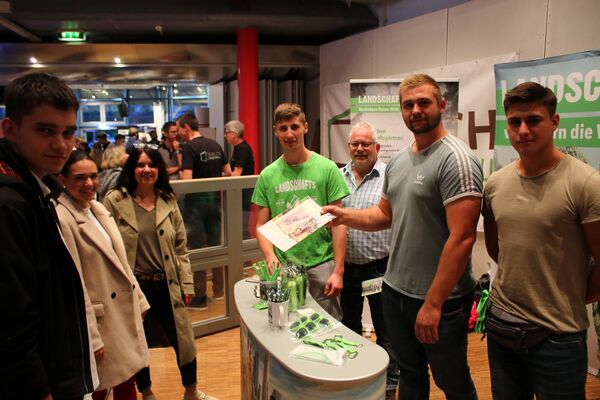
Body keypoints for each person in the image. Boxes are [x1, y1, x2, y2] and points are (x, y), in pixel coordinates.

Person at [323, 74, 481, 399]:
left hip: (441, 301)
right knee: (410, 374)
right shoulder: (398, 161)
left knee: (451, 381)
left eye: (424, 102)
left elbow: (463, 238)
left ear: (441, 105)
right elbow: (384, 215)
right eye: (408, 104)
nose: (416, 110)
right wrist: (343, 215)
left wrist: (433, 304)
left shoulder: (457, 160)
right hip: (395, 291)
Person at [482, 82, 600, 400]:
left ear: (554, 122)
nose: (523, 130)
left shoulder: (586, 183)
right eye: (514, 122)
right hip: (502, 329)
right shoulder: (494, 184)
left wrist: (571, 297)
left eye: (533, 120)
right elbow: (497, 250)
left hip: (559, 336)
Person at [0, 72, 94, 399]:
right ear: (10, 129)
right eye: (45, 131)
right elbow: (12, 315)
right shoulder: (9, 203)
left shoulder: (38, 190)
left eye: (68, 132)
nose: (61, 145)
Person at [104, 145, 212, 400]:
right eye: (140, 165)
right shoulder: (115, 201)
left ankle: (191, 391)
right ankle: (147, 392)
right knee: (137, 342)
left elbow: (181, 248)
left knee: (183, 340)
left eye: (151, 165)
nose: (146, 170)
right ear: (132, 169)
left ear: (159, 170)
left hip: (167, 283)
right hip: (134, 287)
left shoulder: (167, 200)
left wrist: (187, 285)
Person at [56, 150, 150, 400]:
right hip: (101, 320)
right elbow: (74, 284)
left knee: (126, 381)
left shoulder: (97, 208)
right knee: (101, 388)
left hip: (121, 311)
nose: (89, 184)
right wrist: (92, 338)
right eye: (79, 178)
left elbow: (121, 262)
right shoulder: (63, 217)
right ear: (63, 179)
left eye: (93, 176)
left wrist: (139, 299)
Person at [252, 103, 349, 320]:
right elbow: (260, 226)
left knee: (327, 328)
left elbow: (339, 222)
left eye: (294, 127)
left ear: (305, 127)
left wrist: (338, 270)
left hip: (322, 264)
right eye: (283, 128)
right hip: (284, 267)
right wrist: (269, 256)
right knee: (286, 329)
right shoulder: (267, 175)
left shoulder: (327, 169)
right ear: (275, 131)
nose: (289, 134)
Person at [339, 122, 398, 399]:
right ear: (349, 147)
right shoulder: (338, 177)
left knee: (385, 329)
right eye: (354, 144)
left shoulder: (390, 176)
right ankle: (356, 379)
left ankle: (388, 386)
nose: (360, 149)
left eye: (365, 144)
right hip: (347, 270)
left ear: (377, 147)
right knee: (349, 327)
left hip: (378, 271)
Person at [177, 112, 231, 309]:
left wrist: (182, 174)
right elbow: (228, 172)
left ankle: (199, 298)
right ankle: (219, 291)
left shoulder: (189, 148)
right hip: (215, 203)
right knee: (216, 246)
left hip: (196, 207)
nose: (178, 133)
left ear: (186, 128)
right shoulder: (215, 145)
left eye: (179, 129)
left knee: (197, 249)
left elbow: (188, 181)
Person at [224, 120, 255, 238]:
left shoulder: (242, 149)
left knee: (242, 222)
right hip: (242, 190)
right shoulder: (238, 148)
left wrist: (222, 176)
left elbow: (237, 174)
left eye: (227, 132)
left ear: (234, 134)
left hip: (244, 190)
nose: (225, 135)